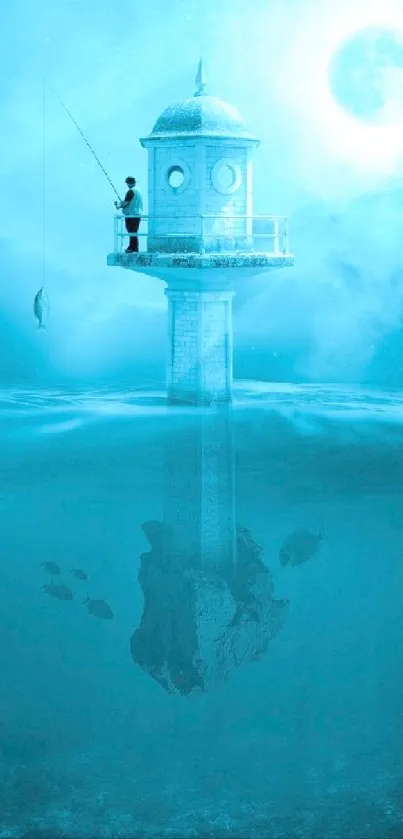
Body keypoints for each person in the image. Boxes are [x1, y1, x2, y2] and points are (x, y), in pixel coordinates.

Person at [114, 177, 143, 253]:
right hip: (137, 214)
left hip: (131, 215)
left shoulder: (131, 191)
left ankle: (132, 247)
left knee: (131, 231)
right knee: (134, 232)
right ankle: (134, 247)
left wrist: (119, 206)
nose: (127, 185)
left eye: (127, 183)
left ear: (129, 183)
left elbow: (126, 203)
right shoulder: (139, 191)